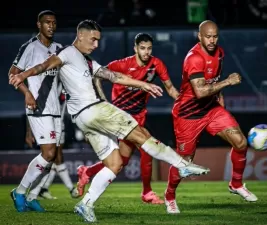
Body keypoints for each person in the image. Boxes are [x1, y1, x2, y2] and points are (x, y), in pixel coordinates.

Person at [9, 19, 210, 223]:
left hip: (84, 119)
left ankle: (85, 204)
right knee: (141, 134)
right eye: (93, 39)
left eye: (98, 41)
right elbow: (44, 65)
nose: (96, 45)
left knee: (115, 163)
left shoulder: (87, 61)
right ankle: (181, 164)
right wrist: (23, 75)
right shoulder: (67, 53)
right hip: (95, 109)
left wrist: (143, 85)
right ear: (81, 35)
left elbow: (113, 76)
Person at [164, 20, 258, 214]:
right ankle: (169, 196)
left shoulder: (220, 53)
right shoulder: (194, 58)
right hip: (188, 115)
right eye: (208, 36)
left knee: (240, 142)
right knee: (185, 162)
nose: (212, 40)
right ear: (199, 36)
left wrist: (221, 105)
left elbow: (213, 81)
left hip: (211, 110)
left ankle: (236, 184)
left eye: (215, 36)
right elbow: (199, 91)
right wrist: (228, 82)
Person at [76, 33, 179, 204]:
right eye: (142, 48)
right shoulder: (122, 64)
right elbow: (98, 75)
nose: (146, 52)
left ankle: (87, 171)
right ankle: (147, 193)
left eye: (149, 48)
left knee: (122, 161)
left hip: (139, 116)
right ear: (135, 48)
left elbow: (170, 88)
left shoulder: (156, 64)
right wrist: (102, 100)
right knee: (147, 149)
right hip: (122, 117)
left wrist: (185, 101)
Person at [8, 10, 66, 212]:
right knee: (48, 152)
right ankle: (20, 192)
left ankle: (33, 196)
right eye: (47, 22)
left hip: (55, 109)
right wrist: (27, 93)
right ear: (39, 25)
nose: (51, 25)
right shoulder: (30, 47)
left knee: (51, 157)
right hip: (37, 107)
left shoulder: (60, 49)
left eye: (54, 22)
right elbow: (13, 74)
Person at [25, 81, 79, 200]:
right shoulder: (48, 82)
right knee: (55, 157)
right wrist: (29, 131)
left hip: (60, 123)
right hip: (48, 121)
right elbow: (30, 104)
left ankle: (41, 189)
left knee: (54, 159)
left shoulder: (67, 81)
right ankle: (71, 189)